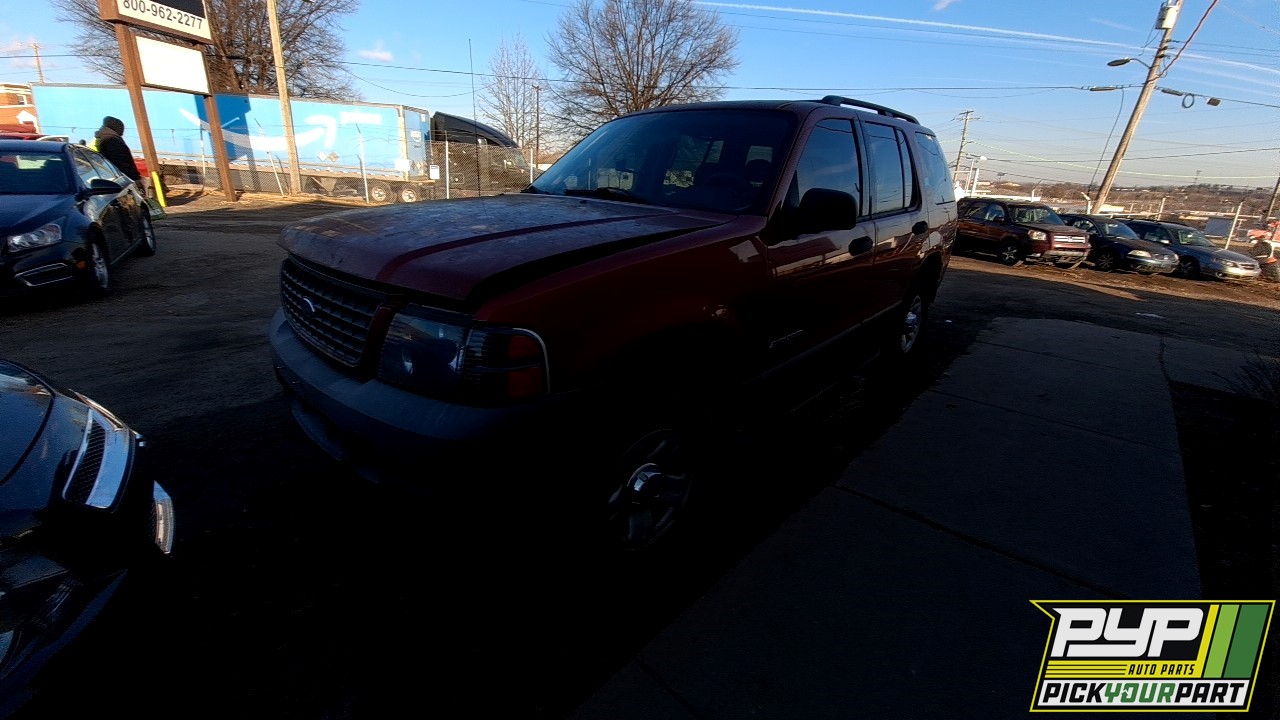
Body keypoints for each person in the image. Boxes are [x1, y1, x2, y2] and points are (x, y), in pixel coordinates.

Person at [93, 116, 143, 186]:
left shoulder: (103, 138)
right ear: (116, 128)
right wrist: (135, 178)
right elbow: (122, 163)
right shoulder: (112, 141)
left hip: (108, 178)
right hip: (119, 181)